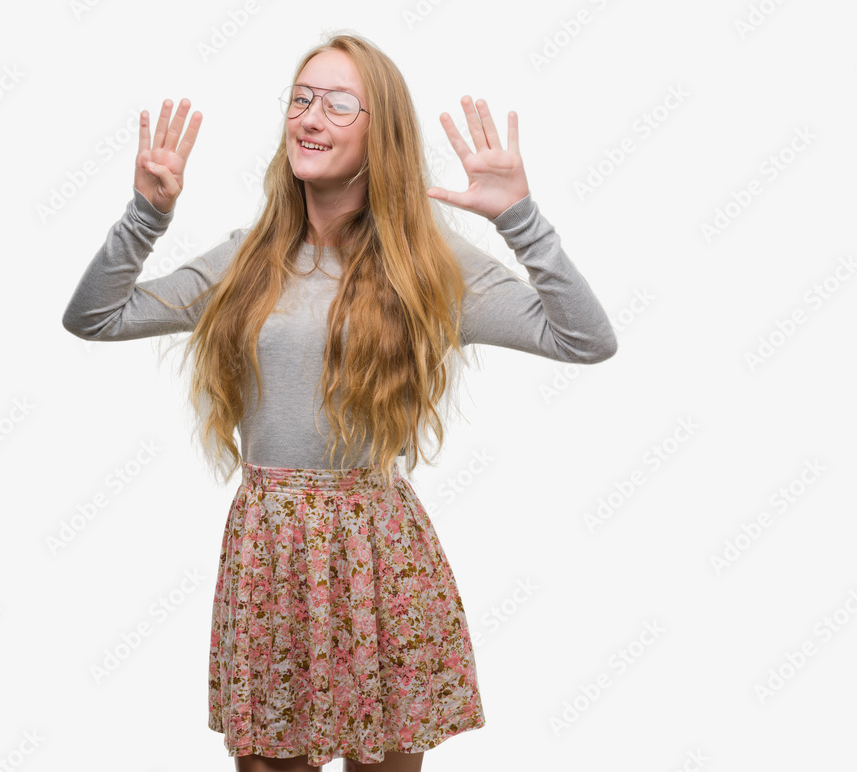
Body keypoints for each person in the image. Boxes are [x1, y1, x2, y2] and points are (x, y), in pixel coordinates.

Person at [62, 32, 616, 772]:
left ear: (381, 133)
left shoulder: (426, 263)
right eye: (301, 98)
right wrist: (145, 215)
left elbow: (584, 338)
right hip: (271, 553)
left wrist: (519, 219)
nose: (310, 117)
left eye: (338, 103)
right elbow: (95, 317)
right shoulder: (247, 257)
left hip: (377, 551)